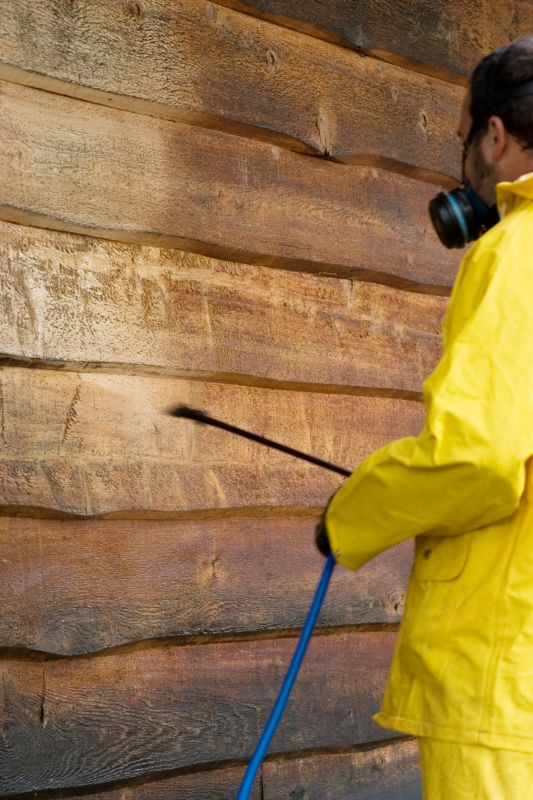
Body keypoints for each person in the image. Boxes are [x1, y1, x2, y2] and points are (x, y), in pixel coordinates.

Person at [316, 37, 533, 799]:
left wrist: (352, 515)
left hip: (504, 682)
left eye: (463, 136)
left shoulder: (516, 253)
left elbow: (478, 458)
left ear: (495, 137)